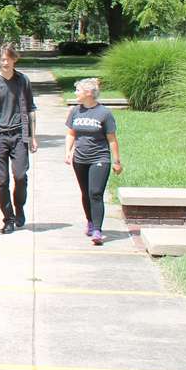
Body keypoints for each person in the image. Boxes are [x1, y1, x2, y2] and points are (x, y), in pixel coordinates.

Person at [0, 43, 38, 234]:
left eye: (9, 58)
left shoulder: (23, 81)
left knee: (20, 176)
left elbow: (30, 109)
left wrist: (33, 136)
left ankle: (19, 207)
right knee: (1, 180)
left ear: (14, 59)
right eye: (2, 59)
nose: (5, 62)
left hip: (19, 134)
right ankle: (8, 218)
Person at [64, 77, 123, 245]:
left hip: (100, 158)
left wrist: (117, 161)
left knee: (95, 193)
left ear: (88, 93)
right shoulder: (76, 111)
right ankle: (90, 221)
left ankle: (97, 229)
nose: (76, 93)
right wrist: (68, 151)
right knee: (85, 193)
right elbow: (71, 133)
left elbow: (112, 139)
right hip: (80, 159)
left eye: (78, 90)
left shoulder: (104, 113)